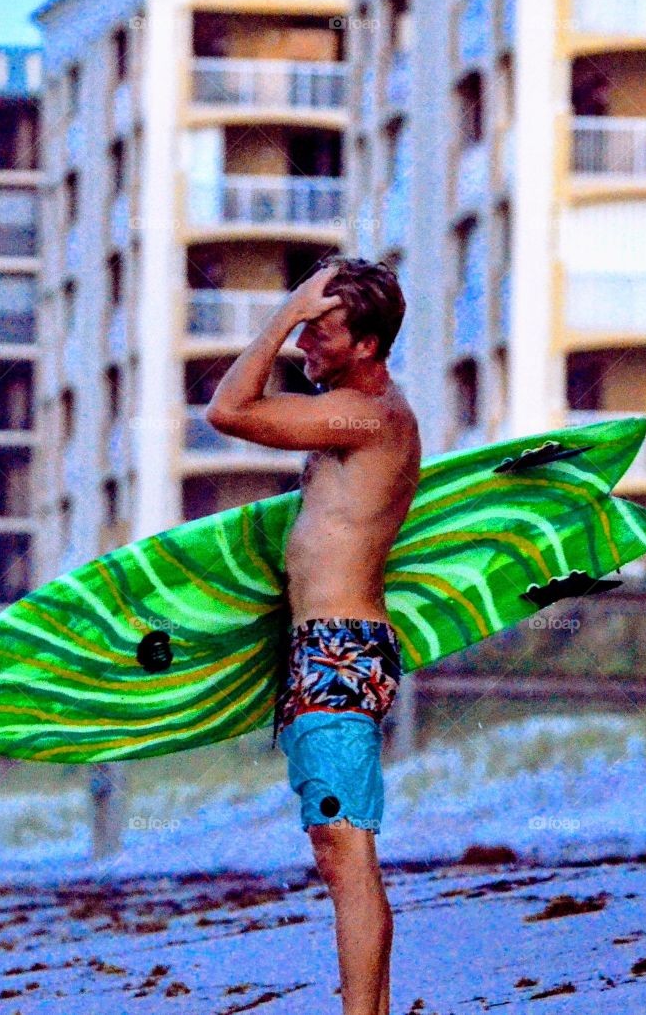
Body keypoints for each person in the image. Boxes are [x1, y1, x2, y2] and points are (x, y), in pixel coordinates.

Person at [206, 255, 421, 1015]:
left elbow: (228, 410)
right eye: (304, 329)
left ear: (365, 344)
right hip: (321, 650)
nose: (305, 346)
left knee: (344, 843)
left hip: (341, 648)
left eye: (319, 333)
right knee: (339, 845)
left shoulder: (368, 415)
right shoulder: (361, 414)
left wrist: (284, 312)